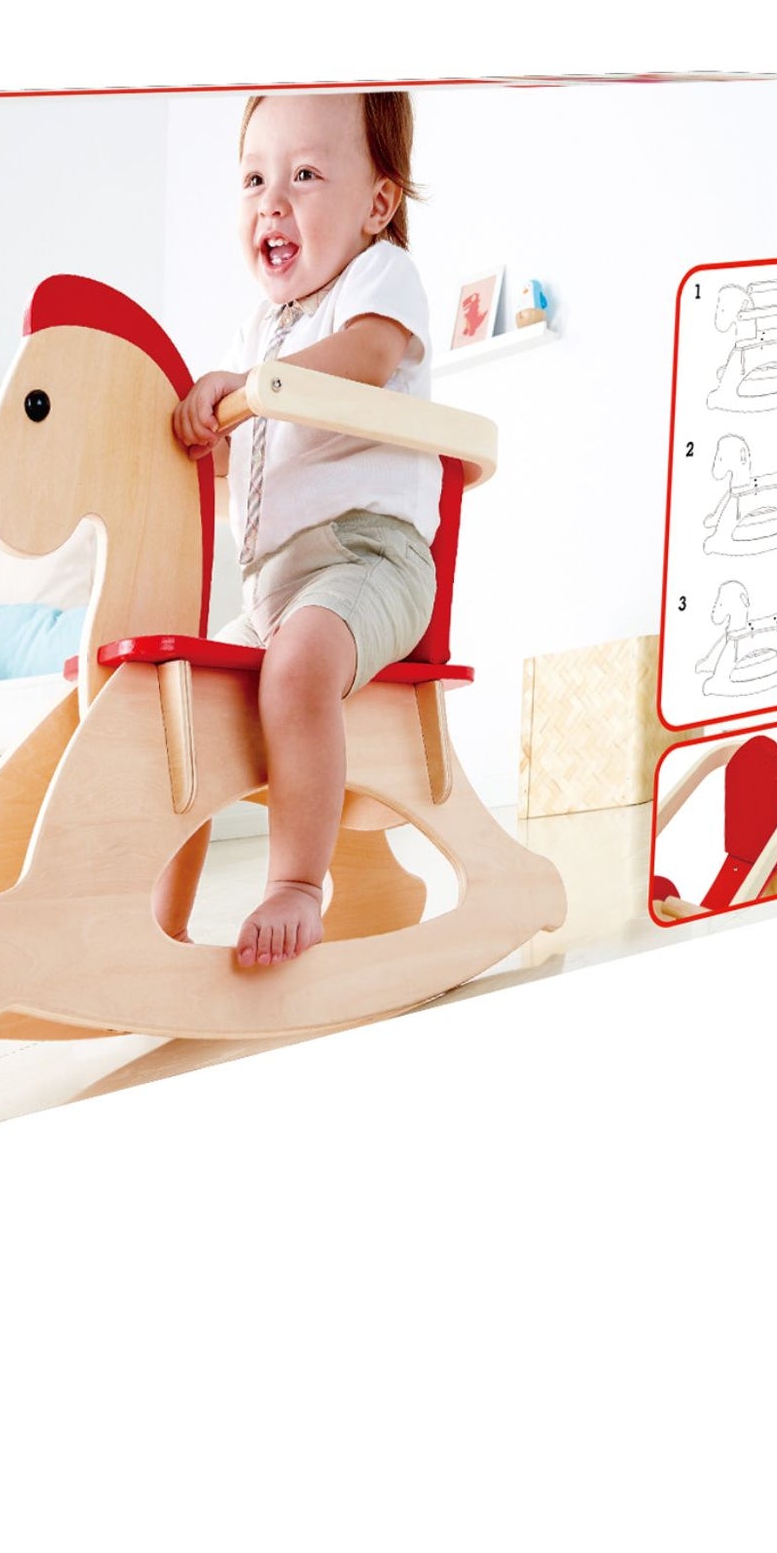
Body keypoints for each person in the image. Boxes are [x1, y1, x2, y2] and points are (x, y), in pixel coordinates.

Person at [157, 91, 440, 968]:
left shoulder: (378, 278)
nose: (272, 203)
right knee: (181, 697)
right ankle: (160, 924)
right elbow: (237, 455)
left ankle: (295, 886)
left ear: (377, 204)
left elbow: (367, 359)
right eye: (254, 180)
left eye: (305, 175)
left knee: (298, 668)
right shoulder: (258, 331)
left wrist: (248, 388)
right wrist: (205, 426)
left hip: (372, 558)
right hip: (275, 587)